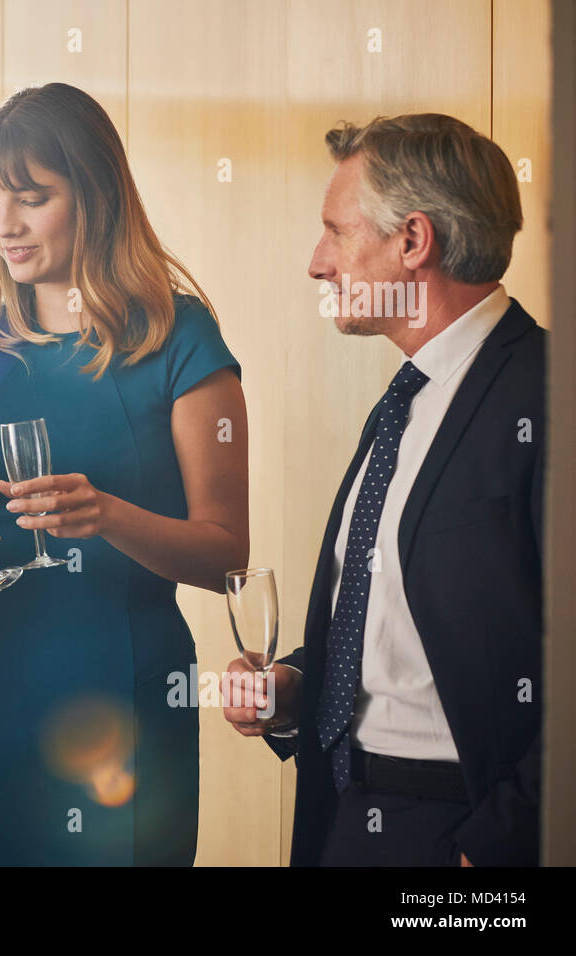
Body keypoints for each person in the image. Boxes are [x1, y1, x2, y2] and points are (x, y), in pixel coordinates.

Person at [0, 83, 248, 865]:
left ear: (94, 196)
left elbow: (225, 555)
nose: (6, 224)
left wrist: (107, 515)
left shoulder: (182, 339)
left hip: (131, 696)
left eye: (31, 197)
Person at [223, 113, 544, 867]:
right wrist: (294, 688)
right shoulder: (404, 402)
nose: (317, 263)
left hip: (461, 838)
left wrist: (499, 845)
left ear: (413, 241)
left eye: (336, 231)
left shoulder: (548, 396)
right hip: (343, 817)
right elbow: (394, 630)